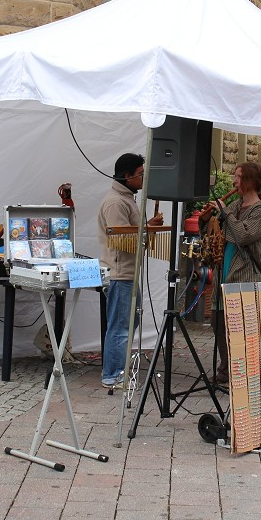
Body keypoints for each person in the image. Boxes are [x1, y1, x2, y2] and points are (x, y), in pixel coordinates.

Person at [200, 161, 261, 384]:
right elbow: (216, 229)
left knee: (240, 328)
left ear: (250, 181)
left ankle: (244, 372)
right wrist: (208, 218)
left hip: (244, 276)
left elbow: (242, 235)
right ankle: (225, 370)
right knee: (218, 322)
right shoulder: (236, 206)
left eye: (238, 177)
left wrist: (224, 212)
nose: (234, 181)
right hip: (224, 273)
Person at [97, 153, 163, 389]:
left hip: (127, 273)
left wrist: (147, 229)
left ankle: (117, 370)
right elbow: (122, 239)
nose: (144, 178)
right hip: (119, 273)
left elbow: (129, 234)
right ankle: (112, 374)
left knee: (127, 323)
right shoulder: (117, 202)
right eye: (141, 174)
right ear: (127, 176)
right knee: (120, 326)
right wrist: (148, 229)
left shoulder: (125, 198)